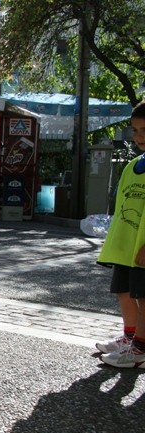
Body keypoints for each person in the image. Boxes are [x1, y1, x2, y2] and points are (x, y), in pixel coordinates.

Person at [96, 101, 145, 368]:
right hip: (126, 245)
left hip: (143, 245)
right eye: (135, 130)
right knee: (124, 290)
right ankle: (130, 336)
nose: (139, 136)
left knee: (143, 295)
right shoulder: (133, 166)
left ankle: (141, 349)